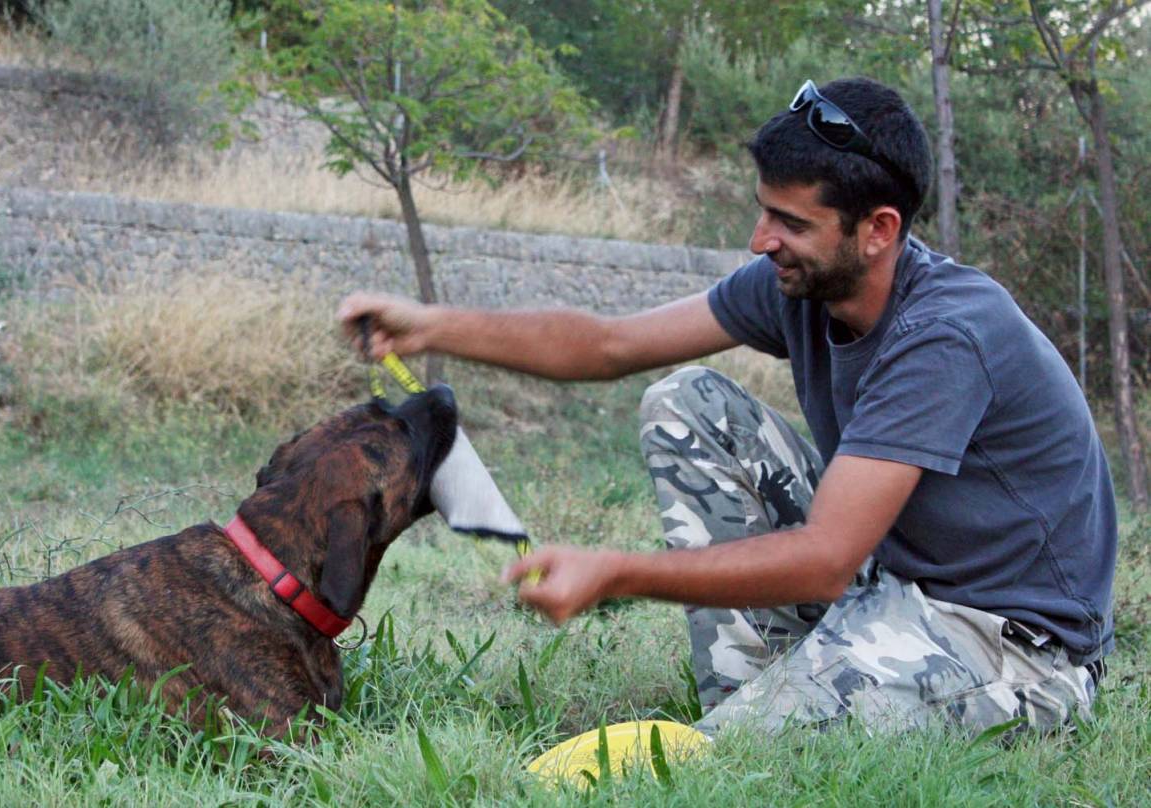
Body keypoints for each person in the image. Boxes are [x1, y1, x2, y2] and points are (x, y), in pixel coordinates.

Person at [336, 77, 1115, 736]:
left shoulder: (946, 334)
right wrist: (433, 324)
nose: (758, 239)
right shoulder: (805, 282)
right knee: (687, 400)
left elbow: (825, 555)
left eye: (790, 222)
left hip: (1012, 646)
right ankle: (760, 686)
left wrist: (616, 572)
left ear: (879, 230)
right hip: (892, 584)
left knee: (719, 754)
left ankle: (758, 721)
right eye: (763, 210)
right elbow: (609, 346)